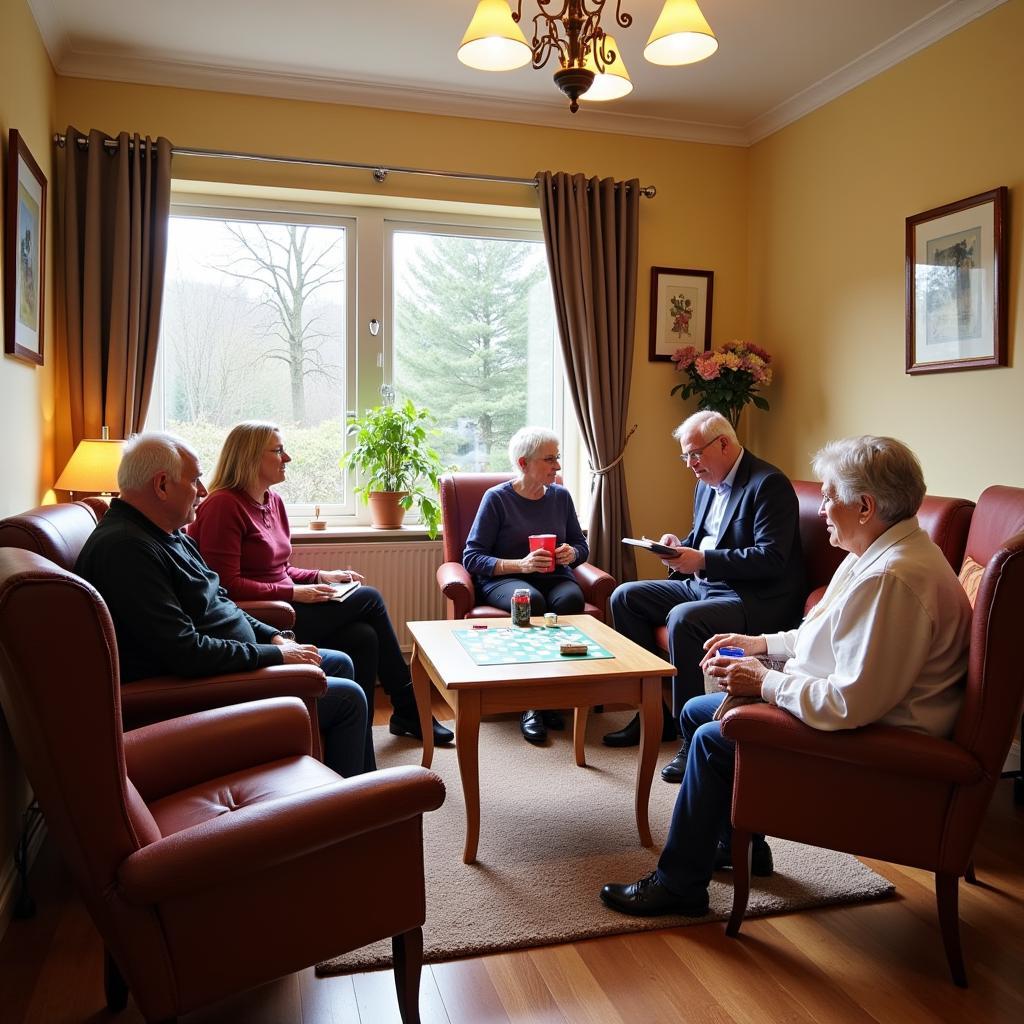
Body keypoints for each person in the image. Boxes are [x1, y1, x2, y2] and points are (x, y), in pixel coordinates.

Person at [600, 435, 973, 918]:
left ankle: (679, 885)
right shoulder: (872, 554)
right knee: (695, 709)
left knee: (715, 739)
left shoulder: (893, 580)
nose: (821, 510)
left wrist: (763, 682)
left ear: (865, 505)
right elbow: (816, 635)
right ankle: (740, 846)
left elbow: (849, 705)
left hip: (877, 745)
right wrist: (760, 645)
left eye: (830, 495)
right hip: (857, 717)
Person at [75, 431, 369, 778]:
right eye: (196, 480)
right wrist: (276, 656)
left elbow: (223, 602)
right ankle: (349, 813)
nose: (203, 491)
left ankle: (353, 787)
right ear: (162, 485)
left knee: (340, 662)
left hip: (231, 661)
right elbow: (184, 651)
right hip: (197, 689)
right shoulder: (127, 550)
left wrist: (273, 637)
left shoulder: (168, 534)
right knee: (349, 698)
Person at [188, 421, 454, 761]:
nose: (288, 457)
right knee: (369, 598)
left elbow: (280, 567)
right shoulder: (223, 505)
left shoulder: (273, 501)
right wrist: (294, 593)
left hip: (282, 599)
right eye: (278, 450)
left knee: (363, 637)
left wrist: (320, 575)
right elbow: (225, 584)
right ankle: (408, 706)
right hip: (262, 615)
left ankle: (362, 743)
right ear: (251, 456)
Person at [604, 411, 805, 785]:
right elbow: (706, 537)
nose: (690, 465)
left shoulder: (767, 484)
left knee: (684, 617)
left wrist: (704, 560)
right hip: (705, 584)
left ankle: (688, 736)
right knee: (624, 596)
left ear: (724, 444)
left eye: (694, 454)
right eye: (685, 457)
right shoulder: (705, 484)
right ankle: (653, 715)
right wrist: (679, 547)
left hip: (750, 596)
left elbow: (772, 558)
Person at [463, 426, 589, 745]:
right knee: (528, 600)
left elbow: (580, 545)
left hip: (555, 577)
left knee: (571, 599)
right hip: (506, 578)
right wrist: (520, 564)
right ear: (523, 463)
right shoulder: (497, 499)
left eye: (557, 458)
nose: (557, 466)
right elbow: (471, 557)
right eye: (549, 459)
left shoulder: (560, 496)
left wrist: (571, 553)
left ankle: (554, 695)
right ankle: (530, 704)